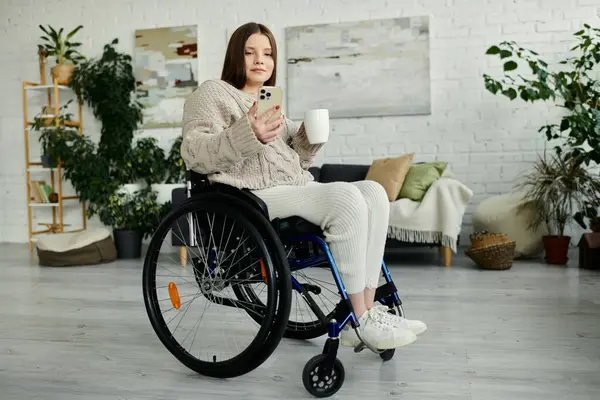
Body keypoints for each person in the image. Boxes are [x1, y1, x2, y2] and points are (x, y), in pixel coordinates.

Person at [180, 22, 426, 350]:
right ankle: (361, 317)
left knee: (373, 192)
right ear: (235, 56)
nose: (260, 60)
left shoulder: (268, 100)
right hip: (251, 195)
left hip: (290, 186)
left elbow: (294, 156)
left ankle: (366, 311)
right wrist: (247, 132)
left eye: (267, 53)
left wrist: (309, 137)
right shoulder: (212, 92)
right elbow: (195, 152)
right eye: (250, 52)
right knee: (344, 197)